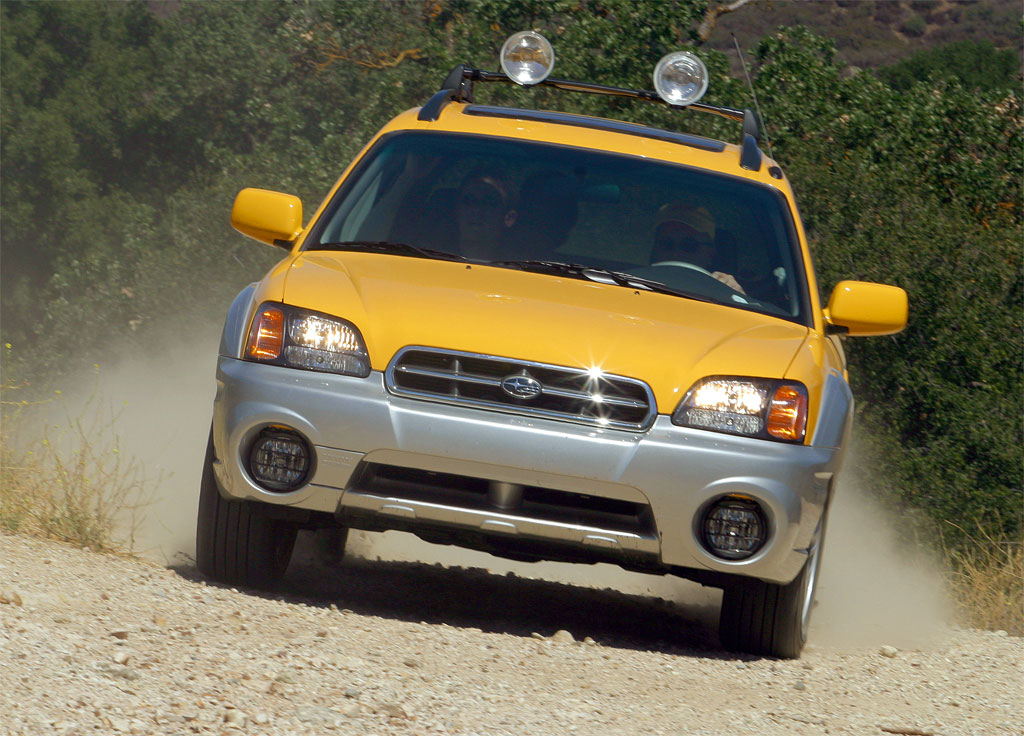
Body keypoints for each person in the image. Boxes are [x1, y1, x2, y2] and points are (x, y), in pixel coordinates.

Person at [650, 202, 745, 294]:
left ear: (710, 253)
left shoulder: (723, 293)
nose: (676, 253)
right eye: (666, 244)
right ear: (655, 249)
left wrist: (736, 296)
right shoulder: (635, 283)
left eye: (689, 245)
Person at [454, 168, 517, 260]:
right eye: (469, 200)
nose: (476, 209)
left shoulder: (525, 270)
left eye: (489, 202)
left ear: (509, 218)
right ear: (457, 209)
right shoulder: (428, 258)